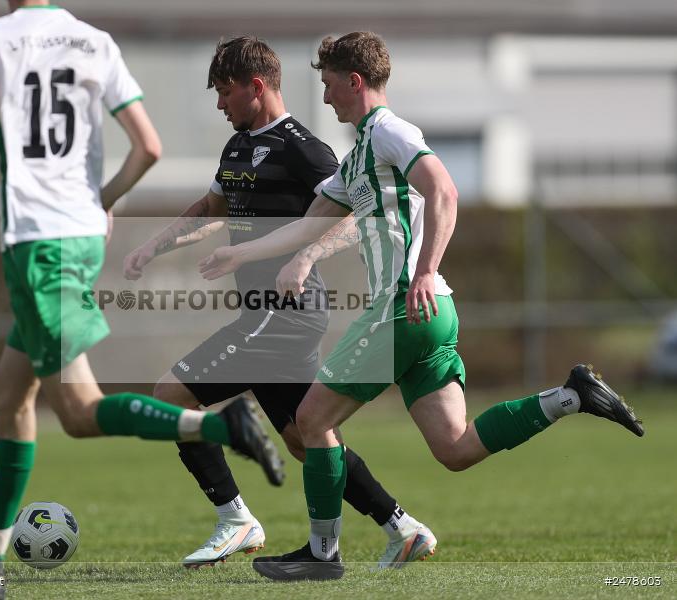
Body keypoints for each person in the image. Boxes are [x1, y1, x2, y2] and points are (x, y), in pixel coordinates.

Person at [0, 3, 282, 599]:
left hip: (38, 245)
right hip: (78, 238)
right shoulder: (94, 41)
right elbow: (148, 147)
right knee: (8, 394)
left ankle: (221, 424)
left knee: (78, 412)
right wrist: (103, 200)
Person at [198, 31, 645, 581]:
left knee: (311, 420)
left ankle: (321, 553)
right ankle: (570, 396)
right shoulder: (358, 156)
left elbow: (444, 190)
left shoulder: (389, 131)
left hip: (403, 306)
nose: (326, 95)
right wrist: (243, 252)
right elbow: (309, 224)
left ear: (355, 82)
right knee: (456, 448)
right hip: (432, 315)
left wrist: (427, 270)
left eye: (330, 84)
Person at [123, 36, 434, 569]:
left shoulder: (304, 149)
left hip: (286, 312)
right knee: (306, 439)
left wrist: (307, 257)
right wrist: (154, 245)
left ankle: (235, 520)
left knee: (171, 395)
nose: (219, 104)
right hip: (262, 313)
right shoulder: (237, 147)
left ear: (256, 86)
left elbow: (353, 216)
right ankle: (402, 528)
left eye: (225, 92)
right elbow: (211, 208)